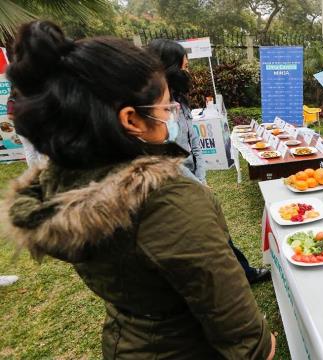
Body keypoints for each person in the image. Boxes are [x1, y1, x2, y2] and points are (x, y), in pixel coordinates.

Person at [3, 21, 275, 359]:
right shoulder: (167, 202)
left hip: (126, 340)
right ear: (131, 119)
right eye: (164, 108)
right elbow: (241, 331)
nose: (172, 115)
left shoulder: (62, 187)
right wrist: (263, 346)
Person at [147, 39, 270, 285]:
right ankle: (229, 279)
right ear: (169, 67)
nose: (188, 71)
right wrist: (195, 184)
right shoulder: (152, 108)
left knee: (218, 232)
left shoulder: (179, 100)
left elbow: (194, 142)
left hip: (193, 181)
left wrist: (201, 178)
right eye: (184, 66)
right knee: (207, 236)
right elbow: (165, 157)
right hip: (176, 185)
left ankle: (244, 273)